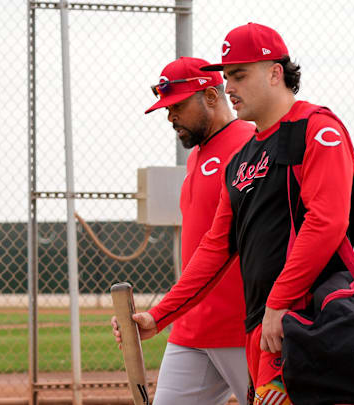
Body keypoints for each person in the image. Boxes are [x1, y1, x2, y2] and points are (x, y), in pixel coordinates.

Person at [113, 23, 354, 405]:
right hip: (257, 327)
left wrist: (279, 302)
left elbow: (326, 222)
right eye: (227, 75)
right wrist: (159, 316)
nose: (230, 86)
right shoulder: (243, 159)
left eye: (239, 75)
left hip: (307, 324)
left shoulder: (318, 129)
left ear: (276, 72)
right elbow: (215, 248)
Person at [129, 57, 254, 405]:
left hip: (241, 328)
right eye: (167, 109)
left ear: (212, 98)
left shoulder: (251, 144)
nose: (171, 118)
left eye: (178, 106)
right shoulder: (196, 155)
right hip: (191, 328)